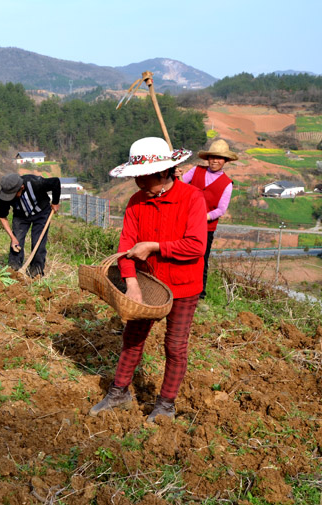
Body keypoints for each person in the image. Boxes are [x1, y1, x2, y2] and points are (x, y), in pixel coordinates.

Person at [90, 137, 206, 423]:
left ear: (164, 173)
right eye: (136, 177)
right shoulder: (136, 202)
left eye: (143, 177)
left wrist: (155, 246)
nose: (137, 182)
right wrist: (131, 283)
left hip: (184, 285)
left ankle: (165, 404)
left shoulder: (192, 198)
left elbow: (196, 246)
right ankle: (119, 392)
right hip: (148, 283)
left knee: (175, 346)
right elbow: (126, 245)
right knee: (132, 337)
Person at [181, 139, 237, 300]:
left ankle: (199, 293)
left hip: (206, 228)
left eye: (219, 158)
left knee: (201, 259)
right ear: (208, 158)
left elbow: (221, 209)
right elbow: (181, 184)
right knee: (181, 253)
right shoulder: (196, 170)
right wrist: (177, 176)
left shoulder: (227, 183)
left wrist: (203, 217)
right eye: (212, 157)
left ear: (225, 161)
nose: (215, 161)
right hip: (185, 221)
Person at [0, 173, 61, 277]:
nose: (9, 198)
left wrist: (55, 202)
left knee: (38, 243)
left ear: (21, 187)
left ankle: (36, 272)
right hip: (20, 215)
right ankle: (14, 269)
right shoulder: (5, 194)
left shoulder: (36, 183)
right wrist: (12, 238)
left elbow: (55, 182)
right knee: (16, 242)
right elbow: (2, 216)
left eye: (12, 194)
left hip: (42, 212)